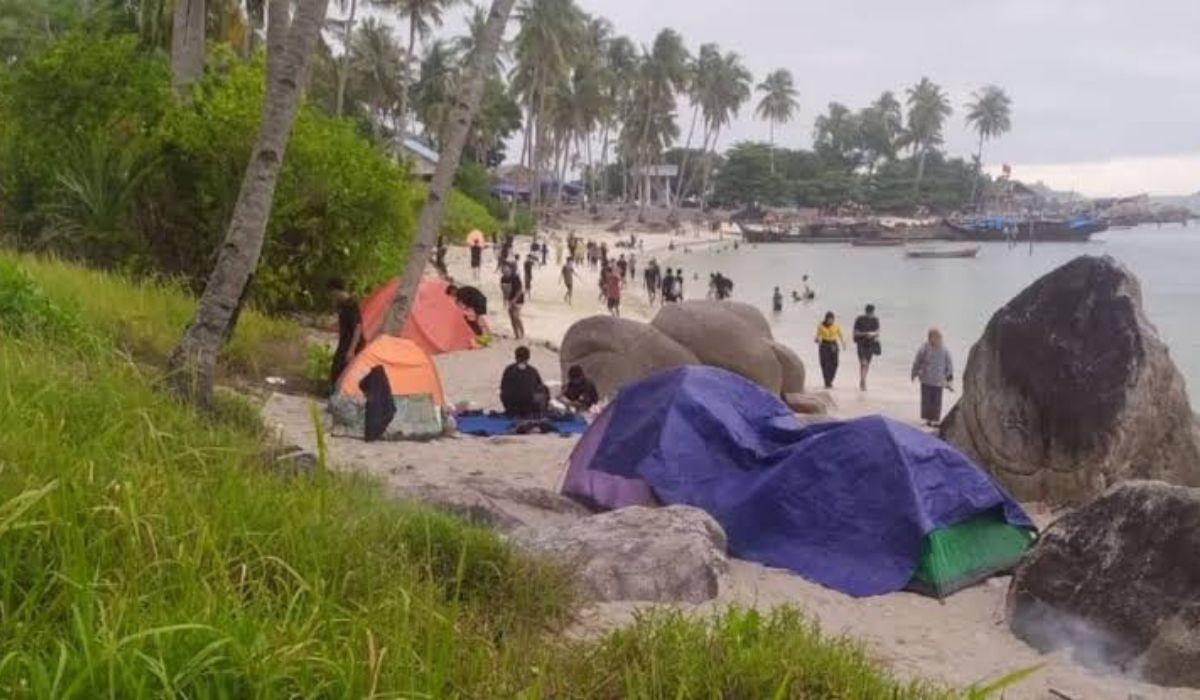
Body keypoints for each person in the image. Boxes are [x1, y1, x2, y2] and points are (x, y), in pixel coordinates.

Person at [327, 278, 365, 394]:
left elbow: (358, 328)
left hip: (352, 344)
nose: (331, 297)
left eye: (331, 294)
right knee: (336, 369)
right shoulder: (343, 305)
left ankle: (340, 394)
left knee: (341, 371)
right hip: (345, 342)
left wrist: (351, 350)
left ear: (336, 291)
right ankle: (335, 393)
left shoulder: (351, 304)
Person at [912, 328, 954, 427]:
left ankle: (935, 419)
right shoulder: (924, 348)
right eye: (933, 338)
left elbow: (949, 365)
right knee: (927, 400)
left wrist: (949, 380)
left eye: (938, 338)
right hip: (926, 379)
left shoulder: (944, 350)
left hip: (938, 381)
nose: (936, 340)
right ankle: (928, 419)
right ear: (929, 338)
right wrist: (914, 372)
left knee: (936, 401)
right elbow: (917, 361)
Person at [500, 346, 547, 419]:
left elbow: (503, 387)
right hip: (529, 407)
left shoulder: (509, 370)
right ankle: (538, 414)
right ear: (528, 357)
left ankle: (512, 412)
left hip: (511, 406)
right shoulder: (532, 371)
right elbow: (539, 386)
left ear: (515, 357)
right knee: (544, 390)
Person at [813, 311, 845, 389]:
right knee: (824, 363)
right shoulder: (821, 326)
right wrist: (817, 340)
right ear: (826, 319)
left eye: (832, 319)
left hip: (833, 345)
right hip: (824, 344)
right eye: (829, 319)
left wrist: (843, 343)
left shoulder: (836, 326)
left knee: (835, 363)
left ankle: (830, 379)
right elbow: (817, 336)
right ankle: (827, 381)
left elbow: (840, 335)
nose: (831, 321)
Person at [853, 304, 881, 391]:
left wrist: (872, 335)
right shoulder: (859, 319)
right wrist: (865, 334)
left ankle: (863, 379)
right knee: (863, 362)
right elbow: (855, 332)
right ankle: (863, 380)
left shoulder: (875, 320)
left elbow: (877, 332)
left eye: (871, 313)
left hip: (870, 344)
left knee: (866, 363)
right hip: (861, 343)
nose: (871, 314)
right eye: (870, 313)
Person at [500, 263, 525, 340]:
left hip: (519, 299)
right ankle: (516, 334)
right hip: (510, 299)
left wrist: (515, 299)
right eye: (503, 270)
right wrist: (504, 301)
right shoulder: (503, 279)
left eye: (507, 269)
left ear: (510, 269)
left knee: (516, 316)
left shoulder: (515, 277)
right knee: (511, 317)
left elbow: (520, 290)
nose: (505, 271)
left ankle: (522, 333)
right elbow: (504, 290)